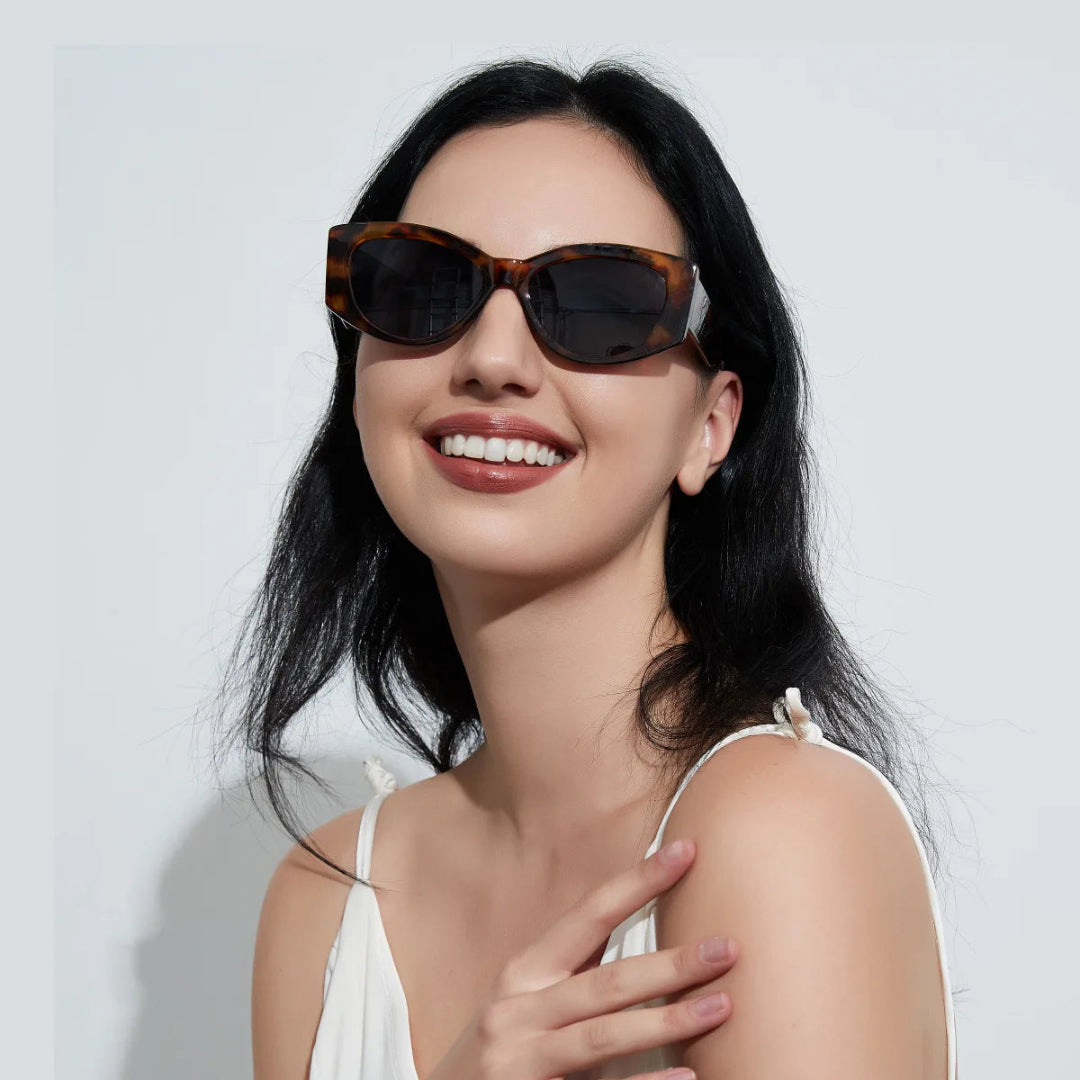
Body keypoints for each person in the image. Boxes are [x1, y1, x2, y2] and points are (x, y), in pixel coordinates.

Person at [222, 56, 957, 1079]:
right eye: (424, 285)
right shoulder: (326, 897)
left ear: (710, 426)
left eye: (602, 303)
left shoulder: (782, 831)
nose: (492, 359)